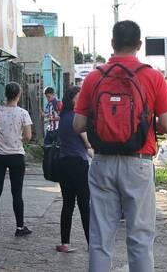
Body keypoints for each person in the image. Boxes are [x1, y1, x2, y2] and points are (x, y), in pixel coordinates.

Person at [73, 20, 167, 272]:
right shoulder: (152, 76)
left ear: (112, 44)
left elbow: (78, 125)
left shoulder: (94, 77)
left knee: (100, 239)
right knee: (140, 238)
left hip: (102, 163)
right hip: (138, 163)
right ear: (139, 45)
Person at [0, 82, 33, 237]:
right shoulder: (23, 113)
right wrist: (19, 141)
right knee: (17, 193)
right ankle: (20, 228)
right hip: (17, 156)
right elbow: (28, 136)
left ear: (6, 94)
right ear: (19, 95)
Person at [56, 85, 92, 253]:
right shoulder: (76, 118)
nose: (81, 99)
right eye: (79, 96)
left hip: (63, 164)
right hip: (78, 163)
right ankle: (92, 244)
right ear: (72, 99)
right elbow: (87, 142)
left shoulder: (63, 116)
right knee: (85, 204)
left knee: (68, 204)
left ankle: (65, 243)